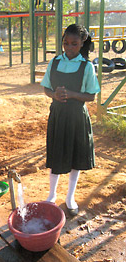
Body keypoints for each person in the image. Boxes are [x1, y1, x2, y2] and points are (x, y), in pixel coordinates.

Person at [41, 24, 100, 216]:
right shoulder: (55, 62)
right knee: (56, 154)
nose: (69, 47)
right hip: (58, 115)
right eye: (65, 43)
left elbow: (91, 96)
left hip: (76, 117)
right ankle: (51, 196)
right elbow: (46, 88)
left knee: (75, 158)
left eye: (74, 44)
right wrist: (54, 95)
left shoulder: (86, 66)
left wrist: (73, 94)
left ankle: (70, 197)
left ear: (82, 43)